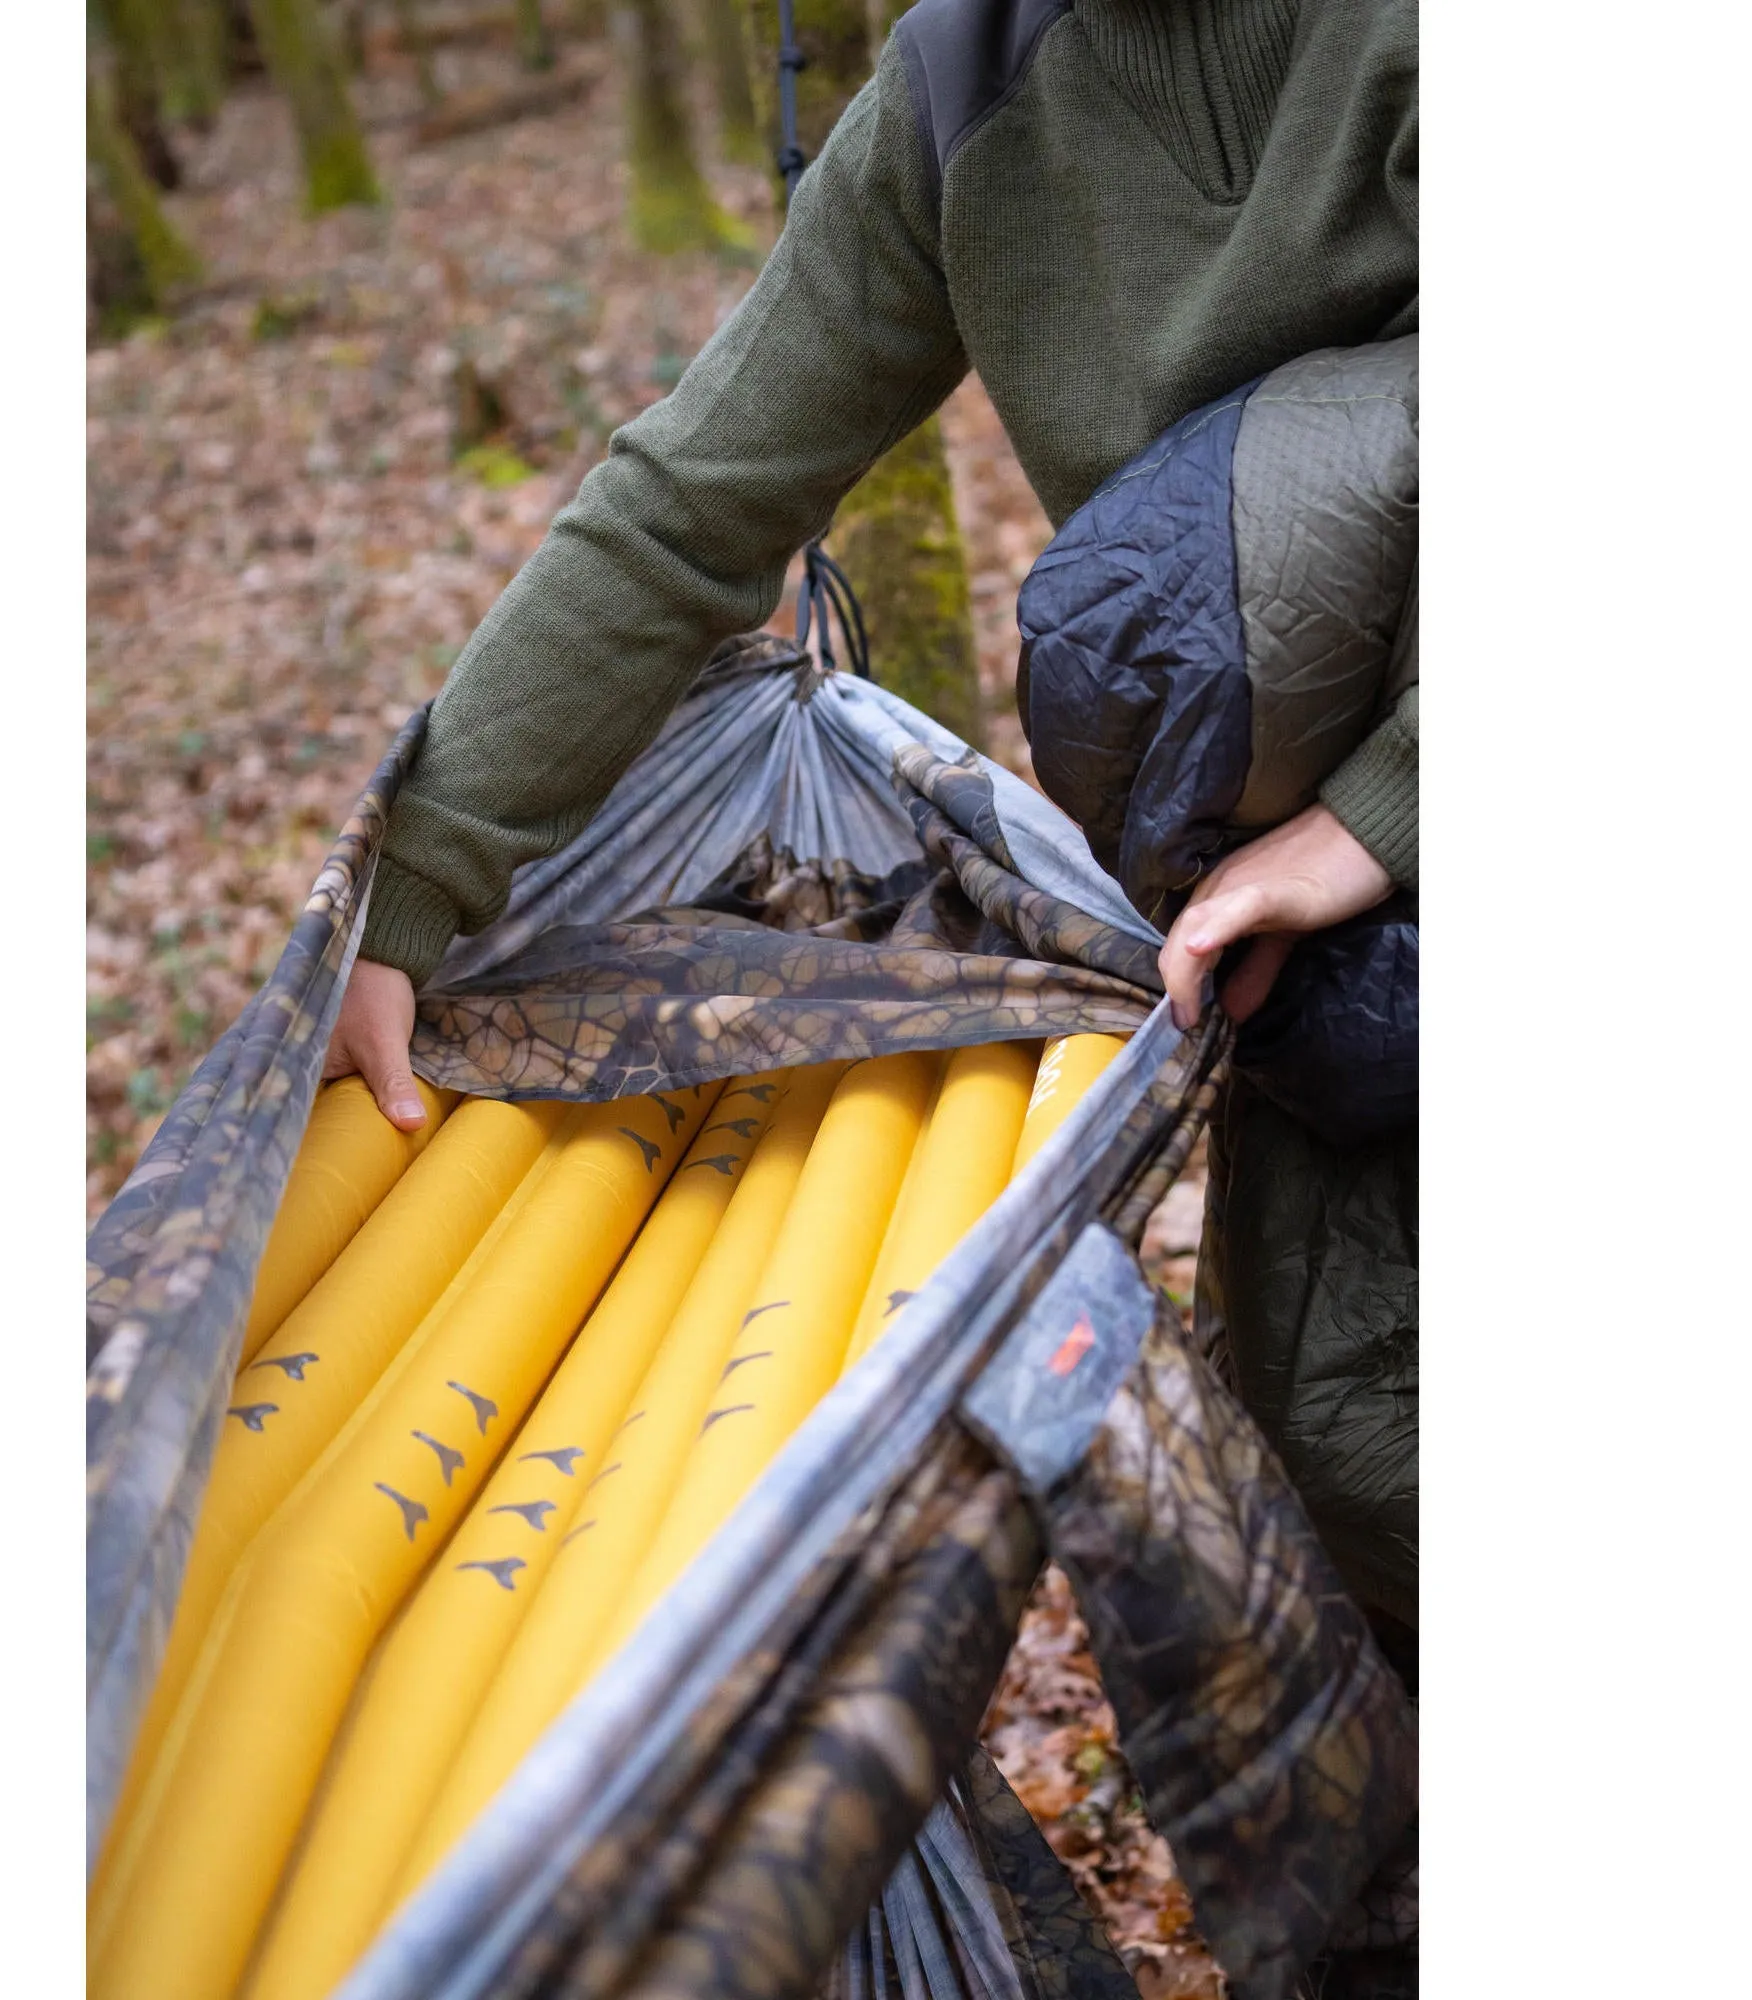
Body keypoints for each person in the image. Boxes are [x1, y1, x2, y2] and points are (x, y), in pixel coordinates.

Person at [325, 0, 1417, 1980]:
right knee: (1367, 1471)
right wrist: (405, 886)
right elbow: (690, 499)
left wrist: (1392, 803)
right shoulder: (963, 83)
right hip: (1304, 952)